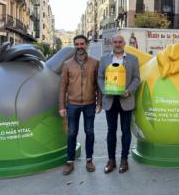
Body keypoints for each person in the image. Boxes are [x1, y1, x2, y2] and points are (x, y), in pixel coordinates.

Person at [59, 35, 102, 175]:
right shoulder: (67, 64)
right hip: (72, 104)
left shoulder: (95, 63)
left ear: (86, 45)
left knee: (89, 132)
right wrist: (62, 106)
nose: (79, 47)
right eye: (77, 44)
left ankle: (89, 160)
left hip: (90, 104)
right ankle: (70, 161)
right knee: (72, 133)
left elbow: (98, 85)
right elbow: (62, 87)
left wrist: (99, 102)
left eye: (82, 44)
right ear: (74, 45)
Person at [98, 35, 140, 174]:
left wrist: (129, 91)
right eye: (115, 42)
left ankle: (124, 159)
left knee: (126, 131)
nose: (117, 44)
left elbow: (136, 78)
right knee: (111, 131)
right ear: (112, 43)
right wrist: (104, 89)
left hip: (126, 100)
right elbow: (100, 77)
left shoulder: (133, 59)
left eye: (120, 42)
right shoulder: (104, 59)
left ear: (124, 43)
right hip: (110, 100)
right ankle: (111, 160)